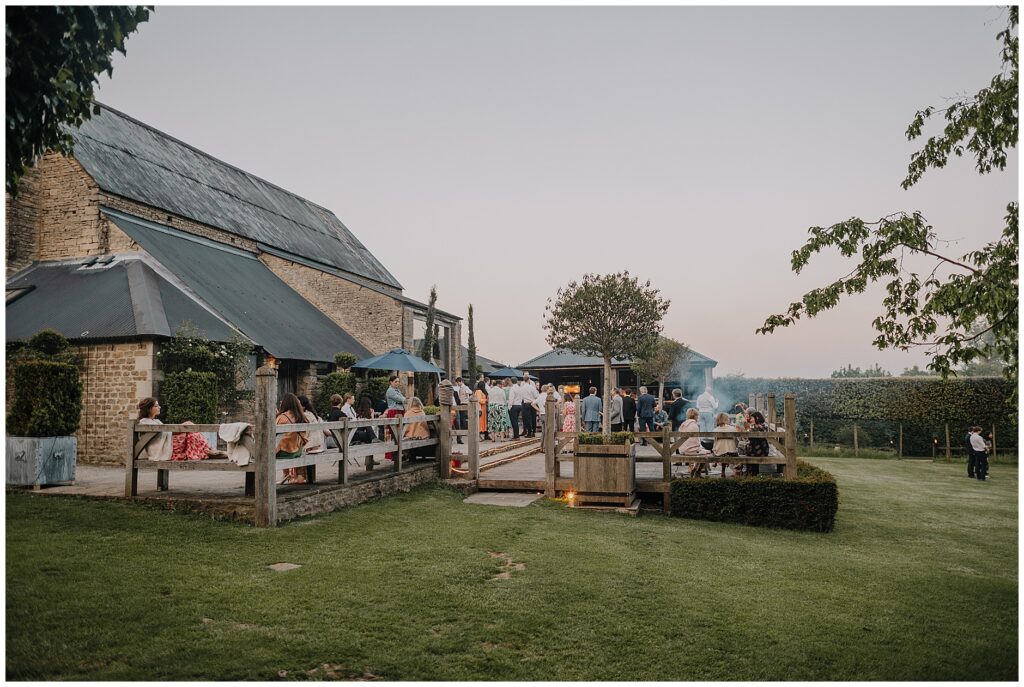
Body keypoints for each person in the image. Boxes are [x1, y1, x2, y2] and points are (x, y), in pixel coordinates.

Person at [277, 393, 309, 485]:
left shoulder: (282, 417)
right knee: (297, 449)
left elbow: (274, 436)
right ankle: (300, 477)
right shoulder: (302, 417)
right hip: (297, 451)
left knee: (280, 446)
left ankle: (288, 476)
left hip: (284, 453)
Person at [136, 397, 173, 461]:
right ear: (148, 409)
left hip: (163, 448)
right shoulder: (144, 422)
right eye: (156, 406)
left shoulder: (156, 421)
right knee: (190, 436)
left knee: (190, 435)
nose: (159, 407)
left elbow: (167, 433)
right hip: (157, 450)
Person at [678, 408, 711, 477]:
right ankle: (697, 471)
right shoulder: (694, 425)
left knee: (702, 451)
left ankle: (695, 469)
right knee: (707, 454)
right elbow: (695, 442)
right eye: (698, 416)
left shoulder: (683, 424)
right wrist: (700, 448)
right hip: (690, 450)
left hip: (682, 449)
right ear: (695, 416)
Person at [383, 374, 406, 460]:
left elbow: (402, 398)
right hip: (394, 412)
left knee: (399, 433)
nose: (397, 383)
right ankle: (392, 454)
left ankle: (399, 453)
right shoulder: (390, 390)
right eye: (395, 382)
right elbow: (400, 399)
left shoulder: (397, 390)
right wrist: (404, 399)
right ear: (391, 382)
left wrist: (403, 399)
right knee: (393, 433)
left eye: (398, 382)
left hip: (399, 412)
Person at [712, 411, 739, 477]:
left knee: (722, 449)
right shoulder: (733, 429)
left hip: (719, 453)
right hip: (731, 453)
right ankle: (736, 471)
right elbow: (737, 441)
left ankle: (723, 471)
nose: (729, 420)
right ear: (726, 420)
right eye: (728, 419)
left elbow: (714, 442)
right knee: (731, 450)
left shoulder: (715, 430)